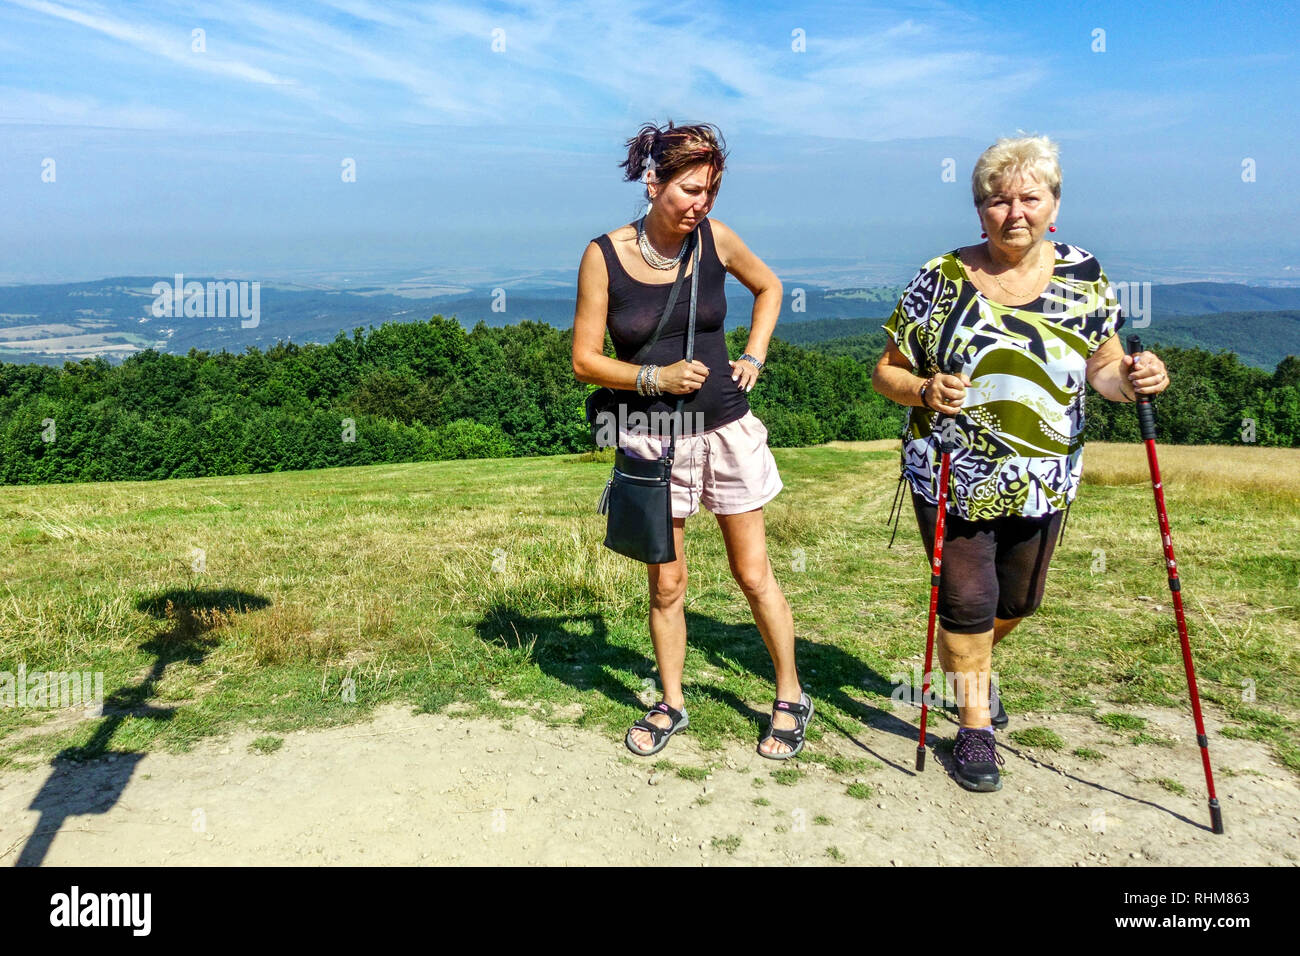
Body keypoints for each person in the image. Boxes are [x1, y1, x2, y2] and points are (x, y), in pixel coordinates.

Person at [871, 134, 1170, 792]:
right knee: (968, 599)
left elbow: (1104, 368)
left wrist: (1136, 377)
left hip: (1045, 476)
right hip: (953, 471)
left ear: (1053, 204)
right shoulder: (940, 278)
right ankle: (974, 725)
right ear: (979, 211)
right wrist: (922, 390)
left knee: (1021, 600)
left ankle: (959, 672)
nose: (1014, 213)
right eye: (997, 201)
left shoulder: (1084, 274)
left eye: (1029, 198)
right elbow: (886, 370)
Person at [571, 121, 812, 759]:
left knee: (753, 574)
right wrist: (655, 377)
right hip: (655, 439)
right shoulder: (603, 256)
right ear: (653, 183)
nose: (700, 204)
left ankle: (789, 694)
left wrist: (754, 354)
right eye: (689, 189)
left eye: (710, 191)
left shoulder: (714, 241)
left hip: (727, 430)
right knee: (667, 584)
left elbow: (769, 287)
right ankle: (671, 702)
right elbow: (585, 361)